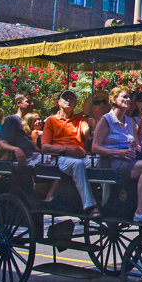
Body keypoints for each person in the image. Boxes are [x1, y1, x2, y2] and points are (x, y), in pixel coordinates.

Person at [92, 86, 142, 224]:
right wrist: (119, 152)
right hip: (110, 161)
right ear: (113, 100)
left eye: (128, 97)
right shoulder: (106, 120)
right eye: (124, 97)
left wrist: (134, 144)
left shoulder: (129, 121)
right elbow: (95, 148)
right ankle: (140, 211)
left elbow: (137, 146)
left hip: (128, 159)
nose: (127, 100)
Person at [41, 90, 101, 219]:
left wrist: (92, 127)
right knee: (78, 164)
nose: (68, 100)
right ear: (60, 102)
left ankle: (106, 200)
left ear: (75, 104)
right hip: (60, 158)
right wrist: (67, 149)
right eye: (65, 98)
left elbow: (86, 131)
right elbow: (45, 146)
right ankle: (90, 205)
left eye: (71, 99)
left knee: (102, 161)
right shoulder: (51, 121)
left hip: (79, 156)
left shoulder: (79, 119)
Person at [0, 91, 41, 165]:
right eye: (28, 102)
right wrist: (16, 149)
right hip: (27, 159)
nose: (32, 104)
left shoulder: (29, 121)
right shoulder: (12, 120)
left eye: (32, 101)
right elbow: (1, 144)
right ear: (19, 104)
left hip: (35, 156)